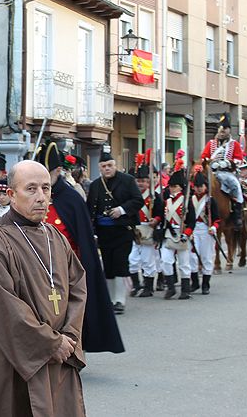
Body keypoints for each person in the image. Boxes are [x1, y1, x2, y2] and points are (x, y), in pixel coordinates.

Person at [0, 160, 87, 417]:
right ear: (11, 194)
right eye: (31, 189)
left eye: (46, 189)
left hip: (59, 353)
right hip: (11, 357)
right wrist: (49, 343)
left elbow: (77, 286)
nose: (41, 197)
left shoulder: (54, 237)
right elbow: (1, 305)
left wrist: (69, 335)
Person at [35, 141, 123, 354]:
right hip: (35, 269)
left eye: (45, 174)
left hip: (65, 272)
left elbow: (81, 241)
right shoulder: (32, 199)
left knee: (66, 316)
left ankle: (71, 352)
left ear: (57, 171)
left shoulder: (71, 199)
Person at [87, 148, 144, 315]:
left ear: (115, 165)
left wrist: (121, 209)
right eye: (104, 166)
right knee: (108, 265)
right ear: (100, 168)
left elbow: (137, 200)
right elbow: (90, 209)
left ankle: (120, 300)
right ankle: (110, 300)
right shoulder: (96, 185)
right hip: (104, 231)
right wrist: (91, 230)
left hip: (122, 230)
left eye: (110, 165)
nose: (107, 168)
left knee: (120, 263)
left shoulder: (127, 180)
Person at [128, 152, 164, 298]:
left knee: (148, 261)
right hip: (135, 230)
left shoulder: (154, 197)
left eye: (143, 180)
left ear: (149, 182)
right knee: (132, 260)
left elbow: (161, 213)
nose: (141, 183)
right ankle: (136, 285)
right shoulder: (132, 196)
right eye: (139, 180)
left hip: (148, 230)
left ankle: (148, 287)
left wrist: (155, 220)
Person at [200, 112, 245, 230]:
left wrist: (227, 163)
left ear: (229, 130)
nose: (222, 130)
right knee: (198, 184)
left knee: (235, 185)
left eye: (224, 128)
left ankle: (237, 214)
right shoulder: (211, 143)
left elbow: (239, 160)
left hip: (227, 172)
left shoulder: (234, 144)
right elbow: (203, 156)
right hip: (212, 171)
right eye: (220, 128)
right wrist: (210, 162)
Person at [160, 164, 196, 300]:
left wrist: (186, 233)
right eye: (170, 186)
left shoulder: (187, 202)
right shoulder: (167, 201)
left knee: (184, 263)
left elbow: (191, 221)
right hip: (169, 233)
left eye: (174, 186)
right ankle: (170, 287)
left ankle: (186, 290)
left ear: (180, 187)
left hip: (182, 234)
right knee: (166, 260)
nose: (171, 189)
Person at [190, 171, 220, 295]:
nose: (198, 189)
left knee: (206, 257)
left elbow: (217, 218)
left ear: (205, 186)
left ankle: (205, 284)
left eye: (201, 186)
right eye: (196, 186)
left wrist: (214, 227)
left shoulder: (210, 200)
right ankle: (195, 282)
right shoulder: (190, 199)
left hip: (206, 230)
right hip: (192, 230)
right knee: (191, 257)